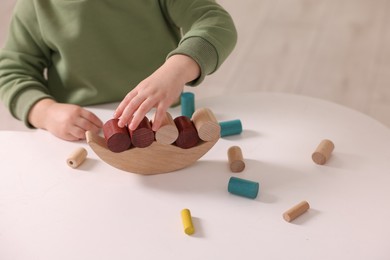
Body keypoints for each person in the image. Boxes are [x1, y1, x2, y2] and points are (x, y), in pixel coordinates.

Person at [0, 0, 237, 141]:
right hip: (82, 134)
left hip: (163, 127)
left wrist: (177, 69)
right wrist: (46, 112)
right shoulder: (35, 5)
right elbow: (12, 71)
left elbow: (215, 22)